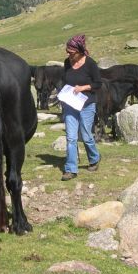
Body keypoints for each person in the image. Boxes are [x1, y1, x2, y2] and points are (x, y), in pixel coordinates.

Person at [61, 34, 101, 181]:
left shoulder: (90, 64)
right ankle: (71, 169)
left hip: (87, 104)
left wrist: (83, 87)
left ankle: (94, 158)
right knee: (71, 137)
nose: (69, 55)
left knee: (85, 135)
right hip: (71, 105)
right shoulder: (67, 63)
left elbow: (98, 84)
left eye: (71, 52)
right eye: (67, 51)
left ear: (79, 51)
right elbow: (65, 80)